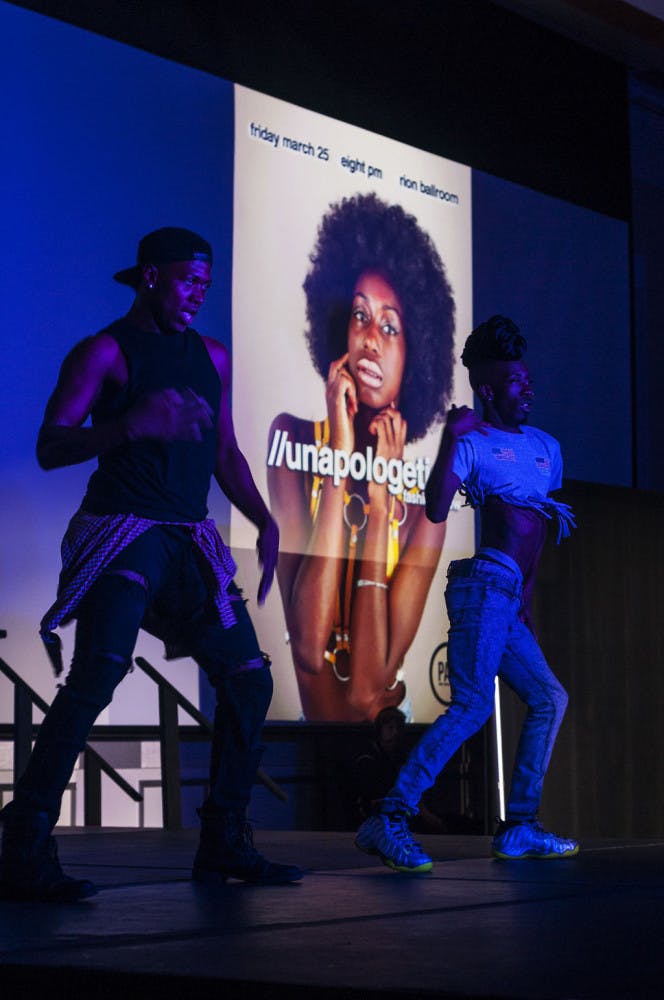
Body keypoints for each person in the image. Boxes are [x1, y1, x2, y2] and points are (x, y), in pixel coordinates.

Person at [0, 227, 302, 901]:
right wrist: (130, 426)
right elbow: (52, 446)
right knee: (99, 673)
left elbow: (223, 451)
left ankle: (224, 840)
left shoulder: (212, 357)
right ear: (149, 278)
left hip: (188, 539)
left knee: (249, 680)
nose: (198, 294)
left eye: (205, 283)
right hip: (124, 531)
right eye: (188, 280)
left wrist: (264, 516)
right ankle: (21, 843)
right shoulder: (104, 353)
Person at [355, 315, 578, 871]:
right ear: (487, 390)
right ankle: (390, 816)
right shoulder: (471, 442)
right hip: (482, 590)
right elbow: (433, 509)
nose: (527, 387)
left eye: (527, 378)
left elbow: (538, 529)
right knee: (475, 704)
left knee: (550, 699)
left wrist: (527, 596)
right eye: (513, 381)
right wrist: (449, 442)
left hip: (508, 597)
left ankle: (519, 826)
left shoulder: (547, 448)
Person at [267, 193, 455, 722]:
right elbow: (307, 646)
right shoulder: (293, 443)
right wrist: (339, 460)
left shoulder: (424, 504)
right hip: (309, 751)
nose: (371, 340)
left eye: (390, 327)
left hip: (388, 743)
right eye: (360, 317)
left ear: (416, 355)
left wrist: (379, 501)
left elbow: (367, 685)